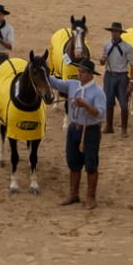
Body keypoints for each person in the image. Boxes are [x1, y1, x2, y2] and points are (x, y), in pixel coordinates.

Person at [48, 58, 107, 209]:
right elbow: (55, 82)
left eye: (82, 72)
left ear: (90, 74)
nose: (79, 74)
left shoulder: (98, 92)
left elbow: (100, 114)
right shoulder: (72, 85)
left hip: (90, 130)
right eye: (78, 71)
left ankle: (90, 197)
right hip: (74, 128)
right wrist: (43, 70)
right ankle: (73, 194)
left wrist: (85, 105)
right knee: (73, 162)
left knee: (91, 164)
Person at [99, 21, 133, 136]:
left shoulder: (127, 47)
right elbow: (102, 61)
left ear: (120, 33)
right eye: (113, 32)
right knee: (109, 101)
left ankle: (124, 128)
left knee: (123, 102)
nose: (114, 34)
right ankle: (109, 126)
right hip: (109, 75)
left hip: (122, 76)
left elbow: (132, 64)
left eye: (116, 32)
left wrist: (132, 81)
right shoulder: (106, 45)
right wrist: (102, 60)